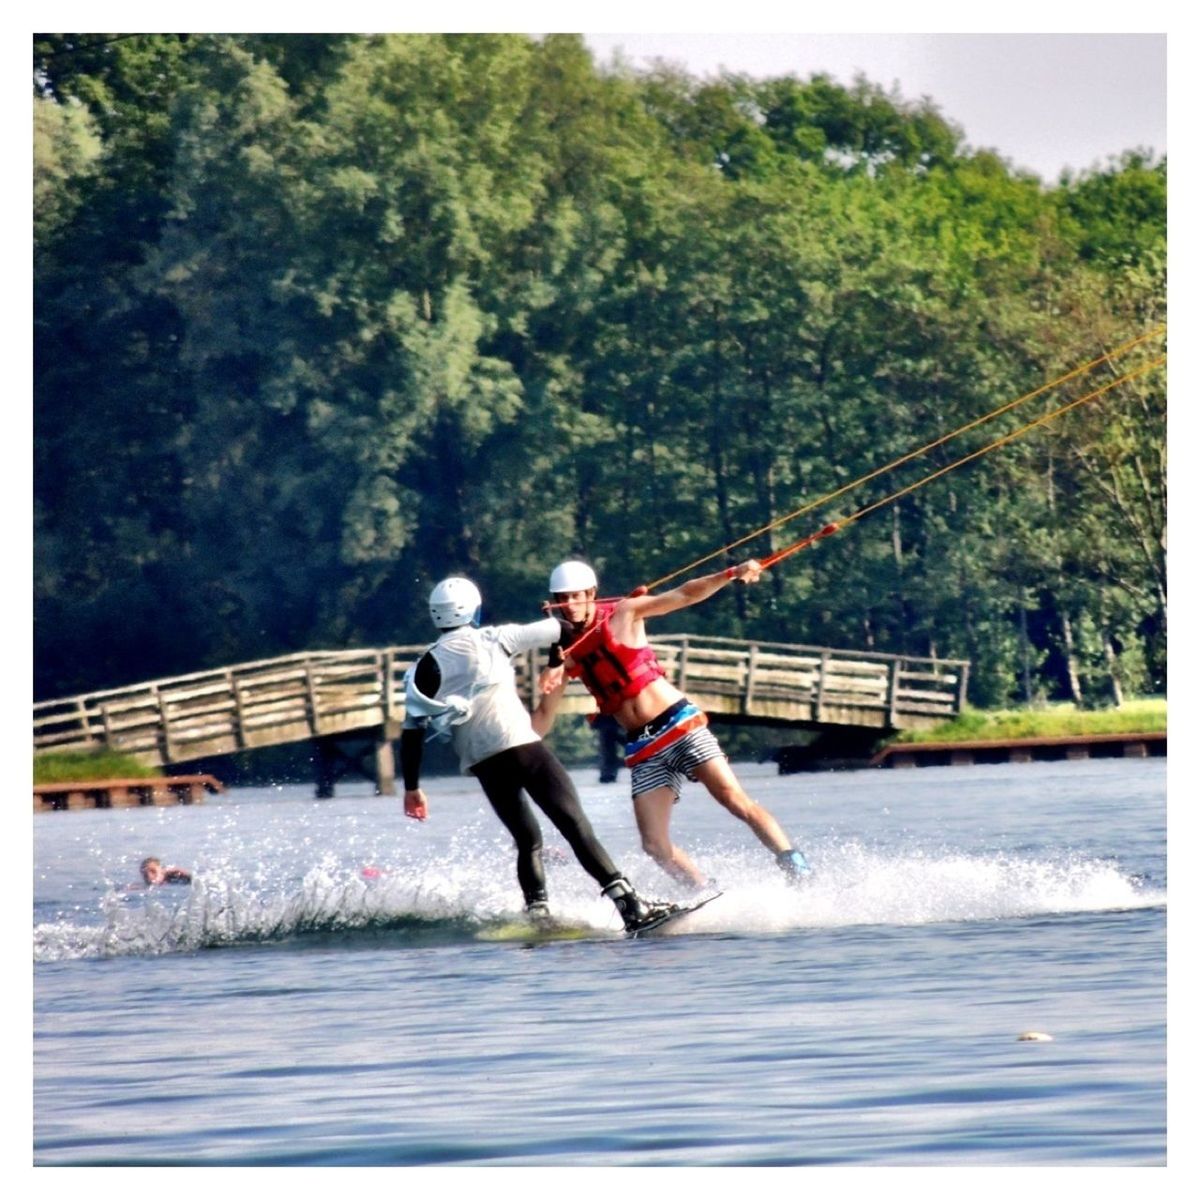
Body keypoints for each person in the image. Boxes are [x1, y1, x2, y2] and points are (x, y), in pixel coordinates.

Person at [399, 575, 679, 934]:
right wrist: (554, 661)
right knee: (576, 827)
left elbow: (411, 732)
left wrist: (412, 788)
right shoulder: (494, 639)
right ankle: (631, 907)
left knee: (528, 841)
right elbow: (562, 627)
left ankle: (538, 914)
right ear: (474, 611)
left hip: (483, 763)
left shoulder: (423, 667)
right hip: (521, 747)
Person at [539, 559, 812, 890]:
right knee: (654, 844)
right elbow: (543, 717)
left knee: (733, 798)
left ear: (591, 594)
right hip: (642, 746)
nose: (568, 606)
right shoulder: (564, 652)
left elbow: (684, 595)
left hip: (679, 724)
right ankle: (705, 891)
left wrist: (729, 573)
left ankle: (795, 865)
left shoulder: (624, 613)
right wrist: (512, 751)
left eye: (575, 596)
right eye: (561, 598)